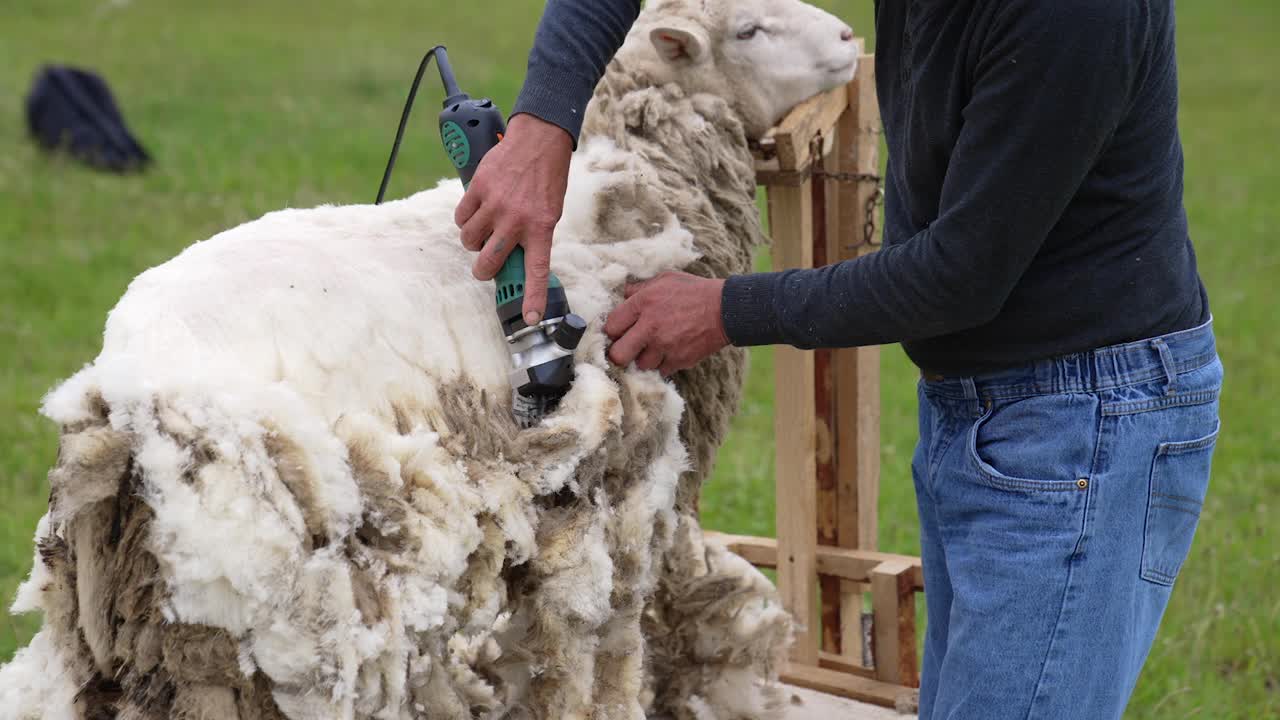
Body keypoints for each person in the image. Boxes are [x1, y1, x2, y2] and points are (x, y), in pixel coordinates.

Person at [453, 1, 1222, 718]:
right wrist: (541, 127)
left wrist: (724, 308)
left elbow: (962, 274)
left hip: (1084, 417)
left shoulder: (1073, 17)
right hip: (981, 404)